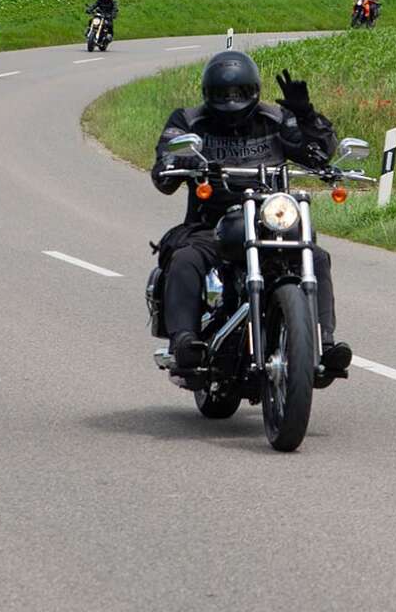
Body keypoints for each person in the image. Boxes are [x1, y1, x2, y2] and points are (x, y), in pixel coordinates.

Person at [150, 50, 352, 379]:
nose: (231, 101)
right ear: (208, 93)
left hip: (272, 220)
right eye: (223, 94)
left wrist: (306, 114)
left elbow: (318, 153)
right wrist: (184, 163)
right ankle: (184, 340)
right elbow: (164, 169)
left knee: (316, 257)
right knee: (185, 258)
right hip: (211, 223)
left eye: (239, 93)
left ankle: (323, 342)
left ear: (253, 91)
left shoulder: (277, 118)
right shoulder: (188, 120)